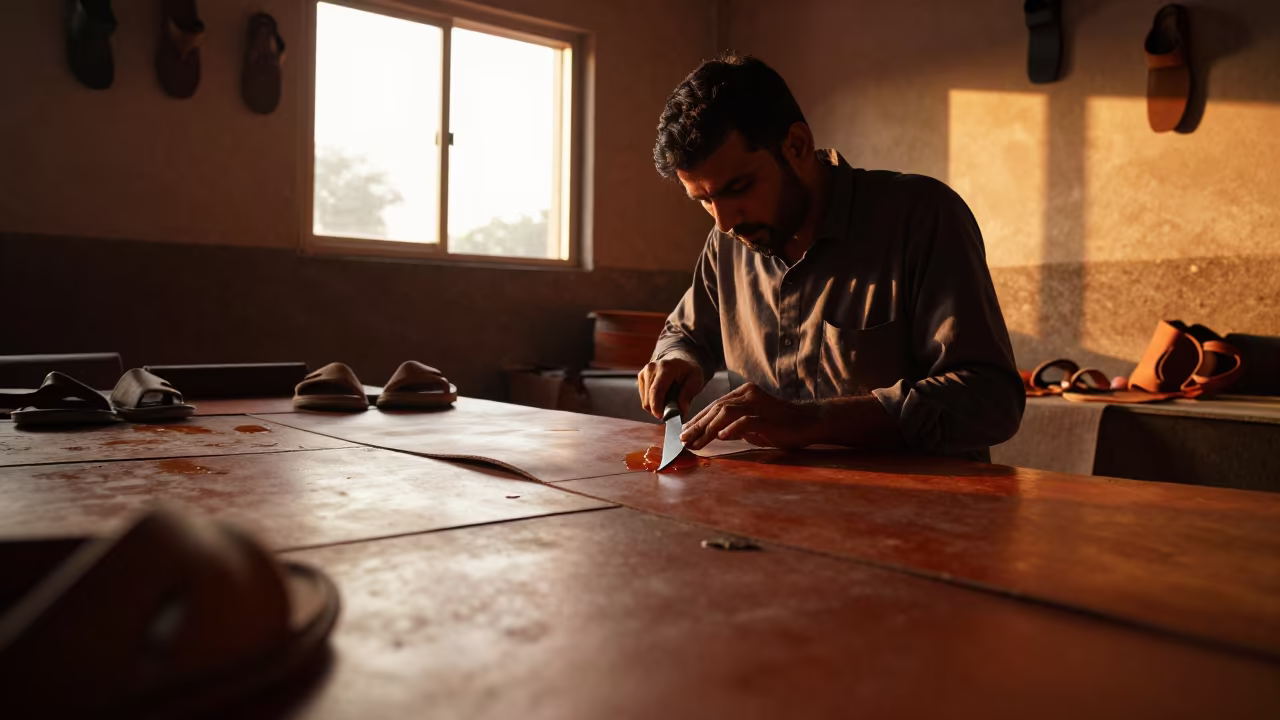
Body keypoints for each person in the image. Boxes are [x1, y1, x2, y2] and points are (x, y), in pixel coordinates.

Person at [637, 54, 1024, 459]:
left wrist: (815, 419)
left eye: (739, 187)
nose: (724, 220)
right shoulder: (728, 243)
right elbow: (686, 336)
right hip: (770, 512)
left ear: (797, 146)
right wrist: (677, 359)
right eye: (703, 200)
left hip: (918, 513)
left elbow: (991, 399)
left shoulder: (920, 217)